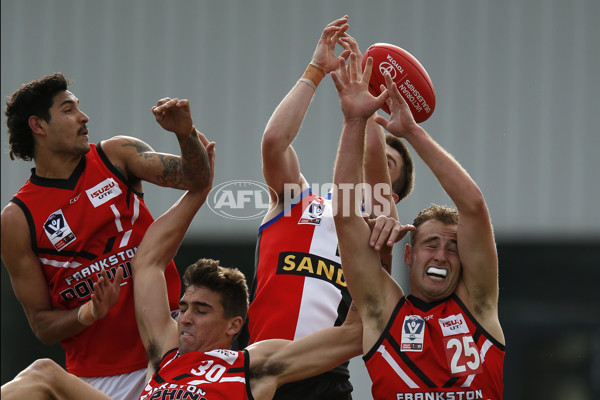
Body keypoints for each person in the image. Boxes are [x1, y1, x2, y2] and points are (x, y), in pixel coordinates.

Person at [0, 138, 370, 400]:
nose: (185, 317)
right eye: (187, 306)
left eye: (201, 309)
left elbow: (356, 333)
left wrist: (358, 120)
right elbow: (147, 261)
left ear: (234, 326)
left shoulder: (253, 365)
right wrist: (198, 191)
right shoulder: (166, 351)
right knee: (43, 374)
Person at [1, 73, 212, 400]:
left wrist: (184, 134)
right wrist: (90, 312)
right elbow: (42, 325)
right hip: (97, 379)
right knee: (39, 376)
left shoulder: (116, 155)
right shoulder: (16, 219)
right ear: (38, 126)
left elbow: (196, 178)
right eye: (68, 110)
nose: (84, 117)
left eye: (79, 108)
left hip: (169, 351)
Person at [242, 16, 414, 399]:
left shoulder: (381, 229)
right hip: (256, 370)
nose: (379, 161)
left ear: (393, 194)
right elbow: (274, 141)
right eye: (379, 155)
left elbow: (370, 171)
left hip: (324, 381)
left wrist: (366, 111)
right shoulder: (297, 199)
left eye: (390, 166)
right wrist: (317, 70)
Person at [331, 51, 505, 398]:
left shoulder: (480, 306)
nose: (441, 255)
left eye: (453, 247)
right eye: (431, 244)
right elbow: (346, 215)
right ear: (408, 254)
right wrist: (354, 122)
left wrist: (411, 131)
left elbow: (473, 205)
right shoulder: (382, 311)